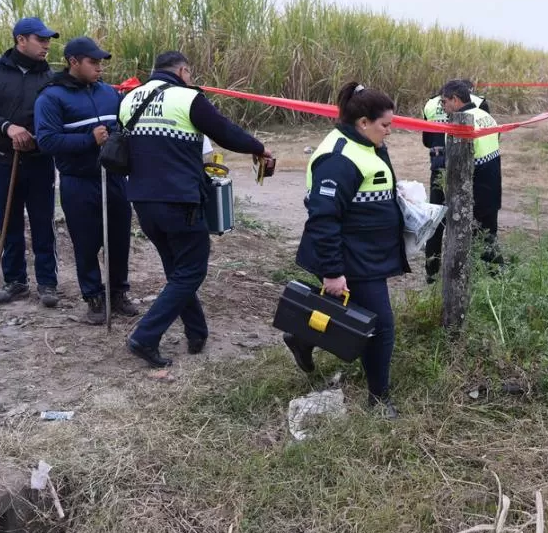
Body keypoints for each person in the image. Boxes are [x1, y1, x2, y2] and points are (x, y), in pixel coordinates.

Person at [121, 52, 273, 367]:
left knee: (178, 270)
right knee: (192, 270)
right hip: (179, 199)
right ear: (182, 70)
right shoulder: (188, 98)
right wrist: (259, 147)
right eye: (190, 73)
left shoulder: (129, 99)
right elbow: (225, 131)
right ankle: (145, 336)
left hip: (141, 199)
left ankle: (196, 333)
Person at [286, 82, 408, 418]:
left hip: (364, 250)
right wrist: (332, 271)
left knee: (348, 315)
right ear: (363, 122)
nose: (389, 132)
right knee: (380, 325)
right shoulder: (339, 158)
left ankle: (303, 337)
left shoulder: (365, 144)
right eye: (385, 125)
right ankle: (379, 400)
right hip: (349, 256)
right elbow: (324, 219)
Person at [35, 37, 138, 324]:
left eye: (101, 62)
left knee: (119, 240)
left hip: (114, 179)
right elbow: (46, 141)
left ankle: (118, 293)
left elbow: (123, 128)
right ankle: (93, 297)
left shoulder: (109, 93)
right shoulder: (51, 97)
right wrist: (88, 139)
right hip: (78, 181)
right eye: (93, 62)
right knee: (86, 243)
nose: (99, 68)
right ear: (73, 62)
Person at [0, 17, 60, 307]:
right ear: (21, 40)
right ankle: (16, 281)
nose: (46, 45)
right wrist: (7, 126)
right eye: (40, 39)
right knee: (9, 222)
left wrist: (40, 135)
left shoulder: (52, 78)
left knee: (44, 221)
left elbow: (60, 116)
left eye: (48, 40)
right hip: (2, 160)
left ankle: (47, 283)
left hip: (40, 160)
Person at [421, 79, 490, 282]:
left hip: (439, 167)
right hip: (468, 169)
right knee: (467, 217)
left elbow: (426, 140)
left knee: (436, 220)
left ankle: (431, 273)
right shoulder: (480, 103)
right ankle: (467, 271)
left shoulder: (430, 104)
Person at [440, 79, 504, 268]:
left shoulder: (459, 125)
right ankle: (498, 276)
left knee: (473, 242)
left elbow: (455, 167)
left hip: (474, 192)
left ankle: (493, 276)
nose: (443, 107)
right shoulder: (485, 115)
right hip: (493, 186)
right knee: (489, 236)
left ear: (455, 99)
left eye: (444, 102)